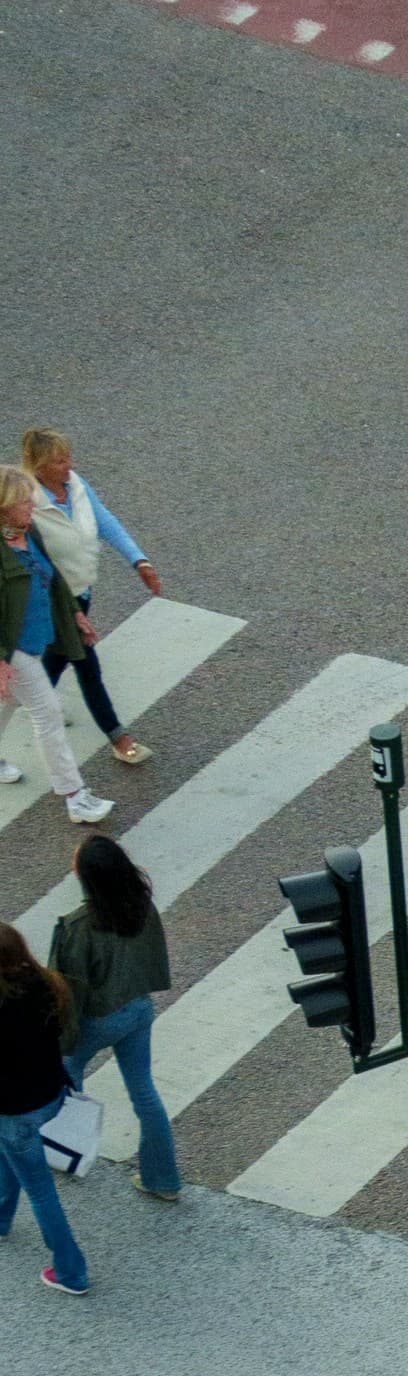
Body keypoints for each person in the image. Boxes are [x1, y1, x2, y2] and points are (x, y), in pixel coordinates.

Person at [48, 833, 179, 1202]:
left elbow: (67, 990)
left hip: (100, 1018)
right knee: (144, 1093)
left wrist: (57, 1036)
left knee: (66, 1072)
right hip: (138, 1009)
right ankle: (163, 1179)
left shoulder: (78, 927)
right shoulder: (139, 904)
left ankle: (64, 1150)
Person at [20, 429, 162, 762]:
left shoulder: (75, 486)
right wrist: (68, 609)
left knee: (54, 661)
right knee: (86, 663)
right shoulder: (26, 503)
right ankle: (118, 737)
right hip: (52, 599)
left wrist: (138, 560)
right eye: (59, 460)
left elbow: (104, 521)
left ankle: (33, 697)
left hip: (80, 593)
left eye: (67, 457)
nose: (68, 465)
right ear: (38, 466)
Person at [0, 468, 116, 828]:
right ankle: (75, 795)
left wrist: (75, 615)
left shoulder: (27, 532)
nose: (31, 504)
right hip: (11, 646)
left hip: (36, 637)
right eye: (22, 500)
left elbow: (52, 577)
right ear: (2, 508)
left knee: (9, 700)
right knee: (47, 713)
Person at [0, 925, 88, 1293]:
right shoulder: (45, 984)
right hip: (50, 1094)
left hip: (16, 1109)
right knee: (11, 1154)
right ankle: (2, 1216)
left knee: (41, 1191)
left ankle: (71, 1272)